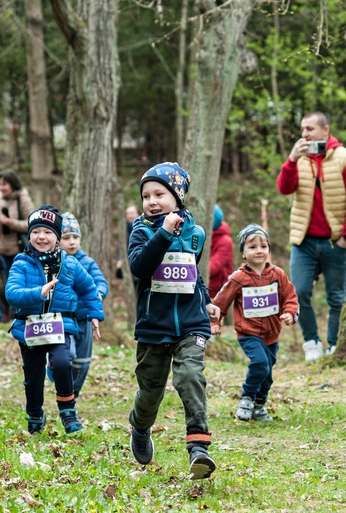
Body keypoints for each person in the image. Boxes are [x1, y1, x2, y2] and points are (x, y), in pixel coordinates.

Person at [127, 162, 220, 480]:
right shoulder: (141, 231)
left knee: (190, 376)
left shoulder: (197, 234)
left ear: (177, 197)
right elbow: (140, 266)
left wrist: (207, 303)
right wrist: (164, 233)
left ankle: (199, 447)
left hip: (191, 325)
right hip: (154, 326)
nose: (151, 201)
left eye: (159, 194)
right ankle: (140, 428)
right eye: (146, 195)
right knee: (150, 393)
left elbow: (193, 275)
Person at [6, 205, 104, 435]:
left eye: (48, 232)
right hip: (29, 327)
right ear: (29, 235)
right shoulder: (21, 262)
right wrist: (37, 292)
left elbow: (89, 288)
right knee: (33, 377)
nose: (42, 237)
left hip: (60, 326)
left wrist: (95, 315)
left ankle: (68, 411)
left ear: (57, 237)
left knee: (61, 362)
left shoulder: (69, 263)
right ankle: (35, 414)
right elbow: (11, 293)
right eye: (36, 231)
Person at [276, 112, 346, 361]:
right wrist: (292, 159)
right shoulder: (299, 159)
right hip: (303, 242)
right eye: (302, 129)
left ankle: (334, 345)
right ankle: (311, 343)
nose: (304, 134)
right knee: (299, 292)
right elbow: (284, 188)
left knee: (336, 297)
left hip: (335, 242)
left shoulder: (345, 158)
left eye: (310, 129)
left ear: (325, 130)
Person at [210, 224, 299, 422]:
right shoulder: (238, 278)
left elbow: (290, 297)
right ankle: (247, 398)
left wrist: (290, 314)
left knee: (267, 374)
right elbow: (221, 301)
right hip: (248, 333)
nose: (258, 250)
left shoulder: (278, 275)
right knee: (260, 363)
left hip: (272, 334)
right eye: (252, 247)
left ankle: (259, 406)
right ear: (243, 252)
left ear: (268, 249)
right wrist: (215, 322)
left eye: (263, 246)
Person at [59, 213, 108, 397]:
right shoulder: (56, 262)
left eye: (75, 237)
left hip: (84, 319)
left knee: (83, 362)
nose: (72, 242)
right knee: (67, 355)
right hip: (62, 320)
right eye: (66, 238)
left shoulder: (87, 262)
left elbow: (101, 282)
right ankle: (60, 381)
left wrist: (98, 294)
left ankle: (74, 392)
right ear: (58, 240)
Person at [0, 170, 35, 317]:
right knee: (6, 284)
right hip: (2, 249)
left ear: (12, 184)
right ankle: (12, 315)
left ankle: (21, 314)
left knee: (22, 283)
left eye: (4, 184)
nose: (1, 187)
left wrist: (13, 224)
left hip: (20, 249)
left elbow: (32, 223)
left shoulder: (22, 199)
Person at [208, 205, 235, 298]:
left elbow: (213, 267)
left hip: (218, 294)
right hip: (206, 289)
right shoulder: (204, 236)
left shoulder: (225, 241)